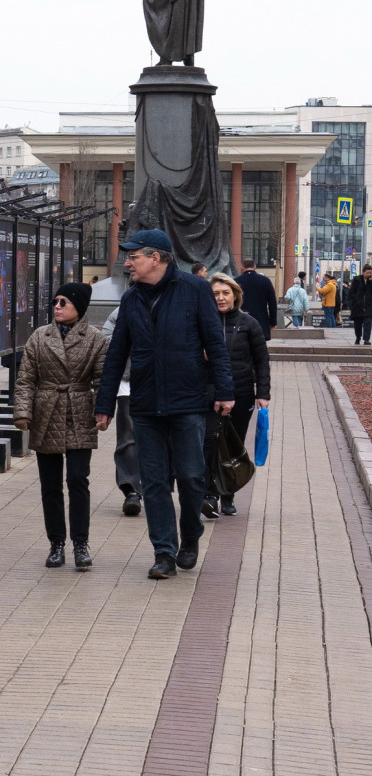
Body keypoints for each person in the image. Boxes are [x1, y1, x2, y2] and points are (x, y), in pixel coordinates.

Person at [95, 229, 234, 579]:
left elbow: (215, 343)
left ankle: (190, 536)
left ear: (155, 258)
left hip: (188, 401)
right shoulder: (130, 299)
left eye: (133, 257)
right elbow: (116, 355)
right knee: (154, 482)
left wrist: (224, 391)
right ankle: (164, 552)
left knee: (190, 477)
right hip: (145, 403)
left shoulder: (195, 289)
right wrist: (104, 404)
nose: (127, 263)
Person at [14, 282, 108, 570]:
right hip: (47, 412)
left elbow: (102, 379)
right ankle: (56, 544)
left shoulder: (95, 339)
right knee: (50, 484)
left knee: (78, 479)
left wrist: (103, 411)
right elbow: (26, 378)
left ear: (79, 307)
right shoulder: (39, 337)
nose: (57, 306)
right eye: (55, 301)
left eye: (64, 302)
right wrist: (22, 412)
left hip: (79, 412)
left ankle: (81, 544)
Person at [203, 273, 270, 516]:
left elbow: (262, 361)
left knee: (233, 444)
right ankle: (209, 494)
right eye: (215, 294)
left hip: (241, 394)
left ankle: (228, 494)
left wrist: (263, 393)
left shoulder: (248, 323)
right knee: (208, 443)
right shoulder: (201, 323)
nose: (220, 298)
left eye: (225, 293)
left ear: (235, 295)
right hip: (207, 394)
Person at [102, 303, 143, 515]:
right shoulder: (123, 310)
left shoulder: (173, 305)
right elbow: (108, 340)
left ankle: (155, 487)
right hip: (128, 384)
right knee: (128, 439)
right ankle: (131, 490)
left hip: (162, 388)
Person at [235, 258, 277, 340]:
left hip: (241, 319)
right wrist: (273, 322)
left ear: (242, 267)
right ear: (255, 267)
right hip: (261, 319)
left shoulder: (236, 281)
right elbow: (272, 302)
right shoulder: (265, 280)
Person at [348, 264, 372, 344]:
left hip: (368, 306)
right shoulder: (357, 279)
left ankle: (366, 339)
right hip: (358, 306)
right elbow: (351, 292)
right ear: (363, 272)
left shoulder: (371, 281)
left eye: (370, 273)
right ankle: (358, 337)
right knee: (357, 324)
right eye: (367, 273)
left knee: (368, 324)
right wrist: (355, 300)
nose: (369, 275)